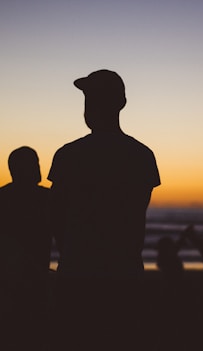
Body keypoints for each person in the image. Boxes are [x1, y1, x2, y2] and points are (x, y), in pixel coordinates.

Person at [48, 69, 160, 350]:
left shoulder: (68, 155)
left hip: (78, 273)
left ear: (119, 104)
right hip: (124, 273)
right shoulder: (142, 155)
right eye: (88, 99)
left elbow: (56, 215)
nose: (89, 106)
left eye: (93, 99)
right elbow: (136, 212)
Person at [0, 146, 52, 350]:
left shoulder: (3, 196)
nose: (39, 168)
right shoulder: (47, 198)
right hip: (30, 275)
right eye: (35, 164)